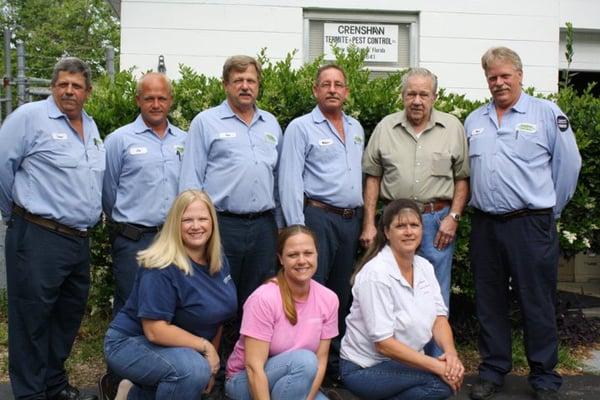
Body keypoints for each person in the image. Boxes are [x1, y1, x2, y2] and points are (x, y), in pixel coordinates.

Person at [465, 47, 581, 400]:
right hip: (486, 226)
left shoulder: (547, 114)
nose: (499, 83)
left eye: (505, 76)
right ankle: (493, 370)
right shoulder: (474, 120)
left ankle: (544, 377)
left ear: (519, 75)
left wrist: (550, 211)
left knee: (537, 301)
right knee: (489, 300)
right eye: (492, 77)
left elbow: (569, 166)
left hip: (531, 224)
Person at [0, 58, 103, 400]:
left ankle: (53, 384)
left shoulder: (91, 126)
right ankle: (30, 393)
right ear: (53, 86)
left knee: (66, 317)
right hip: (38, 235)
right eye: (63, 84)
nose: (69, 91)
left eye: (76, 86)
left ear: (87, 92)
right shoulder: (30, 118)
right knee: (31, 319)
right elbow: (2, 166)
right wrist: (14, 214)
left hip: (77, 240)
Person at [103, 190, 237, 399]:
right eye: (187, 220)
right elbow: (155, 330)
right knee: (191, 371)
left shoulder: (217, 262)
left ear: (212, 222)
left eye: (203, 218)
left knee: (195, 370)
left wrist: (211, 366)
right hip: (130, 343)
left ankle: (133, 394)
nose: (196, 226)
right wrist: (205, 349)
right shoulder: (162, 266)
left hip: (179, 350)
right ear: (175, 223)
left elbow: (216, 318)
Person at [361, 68, 469, 317]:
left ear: (434, 97)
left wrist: (453, 217)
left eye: (423, 94)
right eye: (411, 94)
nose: (417, 101)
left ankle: (437, 355)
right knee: (392, 287)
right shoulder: (385, 127)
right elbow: (372, 177)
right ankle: (398, 355)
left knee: (436, 292)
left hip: (436, 222)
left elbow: (462, 178)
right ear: (402, 95)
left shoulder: (452, 128)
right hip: (394, 220)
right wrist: (369, 223)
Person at [179, 55, 282, 309]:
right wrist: (192, 226)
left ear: (258, 85)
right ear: (225, 84)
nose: (245, 86)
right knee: (214, 292)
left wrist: (280, 225)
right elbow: (190, 179)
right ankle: (211, 349)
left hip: (263, 226)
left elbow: (278, 179)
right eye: (238, 80)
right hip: (222, 224)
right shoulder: (205, 122)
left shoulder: (271, 123)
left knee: (260, 296)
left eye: (251, 80)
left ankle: (250, 349)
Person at [340, 199, 464, 400]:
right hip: (366, 368)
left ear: (422, 230)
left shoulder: (424, 266)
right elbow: (383, 344)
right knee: (439, 385)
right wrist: (439, 367)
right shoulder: (376, 274)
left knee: (442, 380)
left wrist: (450, 355)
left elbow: (439, 318)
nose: (409, 232)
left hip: (404, 364)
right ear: (387, 232)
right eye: (400, 226)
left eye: (414, 225)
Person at [278, 64, 364, 340]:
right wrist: (296, 230)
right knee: (309, 288)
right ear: (315, 90)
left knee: (340, 291)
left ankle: (333, 357)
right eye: (325, 84)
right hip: (317, 218)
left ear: (346, 92)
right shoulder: (301, 128)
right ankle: (304, 352)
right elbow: (289, 179)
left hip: (350, 220)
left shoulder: (356, 128)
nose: (332, 90)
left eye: (338, 85)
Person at [102, 72, 186, 316]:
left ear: (170, 100)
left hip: (174, 240)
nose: (156, 104)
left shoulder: (185, 139)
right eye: (149, 98)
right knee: (130, 304)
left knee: (171, 304)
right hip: (133, 240)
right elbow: (108, 192)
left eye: (162, 98)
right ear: (138, 100)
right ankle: (122, 352)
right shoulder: (119, 140)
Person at [225, 225, 339, 400]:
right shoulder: (263, 298)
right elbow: (253, 367)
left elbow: (321, 361)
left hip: (297, 377)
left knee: (309, 366)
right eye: (293, 255)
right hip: (245, 380)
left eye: (308, 253)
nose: (302, 260)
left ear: (317, 254)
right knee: (305, 361)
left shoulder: (329, 298)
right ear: (281, 259)